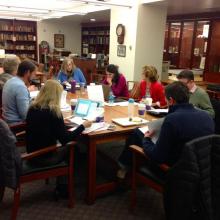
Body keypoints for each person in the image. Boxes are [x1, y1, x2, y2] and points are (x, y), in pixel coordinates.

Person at [117, 81, 214, 179]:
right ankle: (125, 165)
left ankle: (123, 166)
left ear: (171, 100)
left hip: (172, 171)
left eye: (166, 100)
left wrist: (146, 140)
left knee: (137, 133)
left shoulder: (172, 119)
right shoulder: (207, 117)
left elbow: (157, 157)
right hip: (201, 169)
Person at [26, 80, 92, 196]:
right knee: (75, 148)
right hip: (44, 157)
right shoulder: (53, 112)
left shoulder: (33, 107)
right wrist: (83, 126)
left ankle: (63, 181)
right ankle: (64, 186)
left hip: (31, 153)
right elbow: (65, 140)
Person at [2, 60, 36, 124]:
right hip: (16, 125)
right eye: (34, 74)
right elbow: (25, 116)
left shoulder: (10, 81)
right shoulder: (21, 87)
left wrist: (34, 101)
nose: (34, 77)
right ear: (28, 72)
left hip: (6, 120)